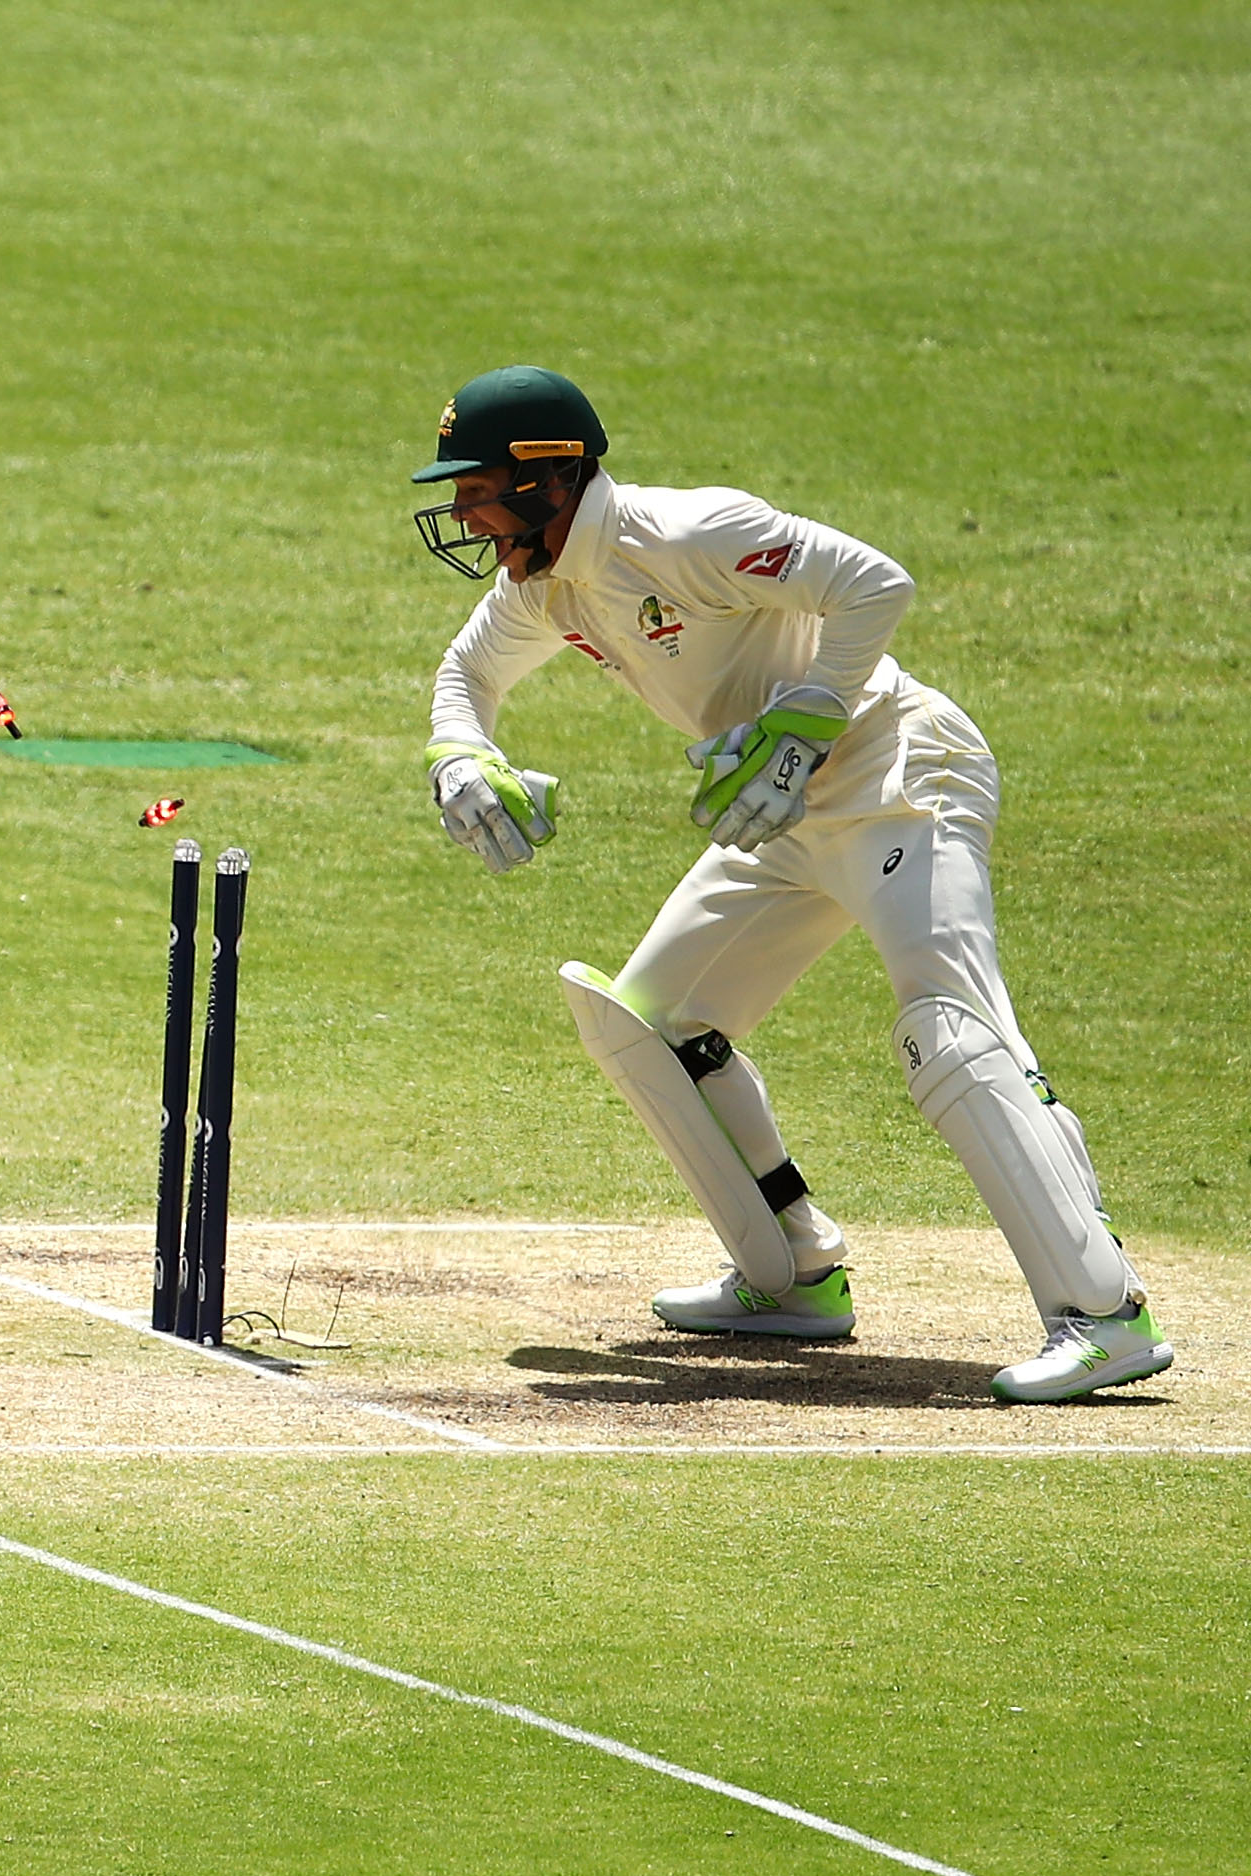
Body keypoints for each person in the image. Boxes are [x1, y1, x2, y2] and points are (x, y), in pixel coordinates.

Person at [407, 366, 1168, 1402]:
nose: (461, 510)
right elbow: (466, 677)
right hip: (774, 815)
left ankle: (1102, 1316)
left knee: (947, 1029)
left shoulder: (683, 534)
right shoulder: (541, 585)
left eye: (476, 486)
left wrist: (804, 719)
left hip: (897, 776)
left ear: (550, 478)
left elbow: (874, 582)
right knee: (654, 1023)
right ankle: (792, 1276)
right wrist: (463, 758)